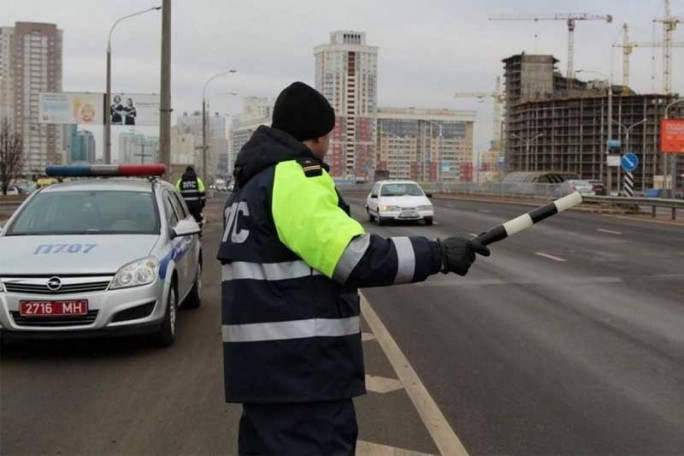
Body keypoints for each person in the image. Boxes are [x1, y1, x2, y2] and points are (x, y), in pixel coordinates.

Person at [216, 81, 490, 455]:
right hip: (304, 376)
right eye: (327, 137)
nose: (328, 146)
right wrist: (438, 255)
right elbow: (355, 258)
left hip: (264, 375)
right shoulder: (294, 177)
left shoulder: (250, 185)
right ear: (316, 136)